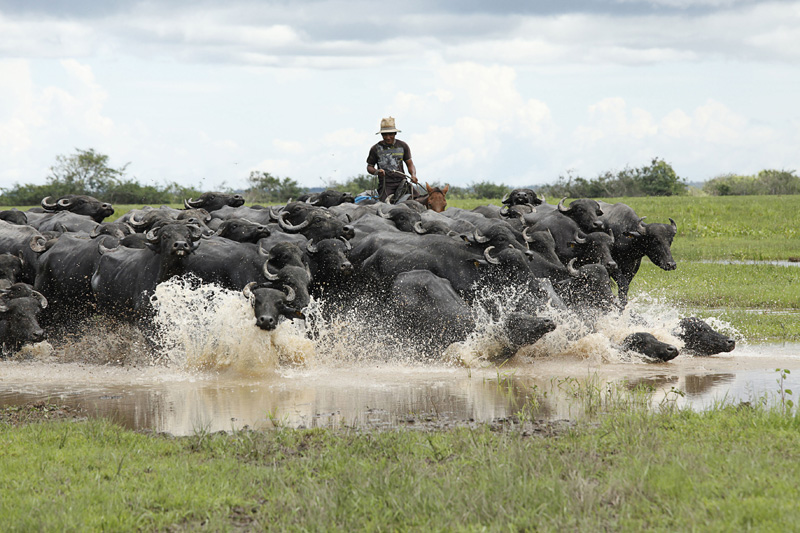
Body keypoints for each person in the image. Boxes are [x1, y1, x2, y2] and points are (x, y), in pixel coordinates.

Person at [366, 117, 418, 202]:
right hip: (386, 185)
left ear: (395, 133)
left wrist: (413, 175)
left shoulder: (403, 146)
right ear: (381, 135)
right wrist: (377, 172)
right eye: (385, 135)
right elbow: (369, 167)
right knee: (385, 206)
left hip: (402, 182)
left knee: (418, 201)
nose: (388, 137)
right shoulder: (375, 149)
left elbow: (410, 164)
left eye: (390, 134)